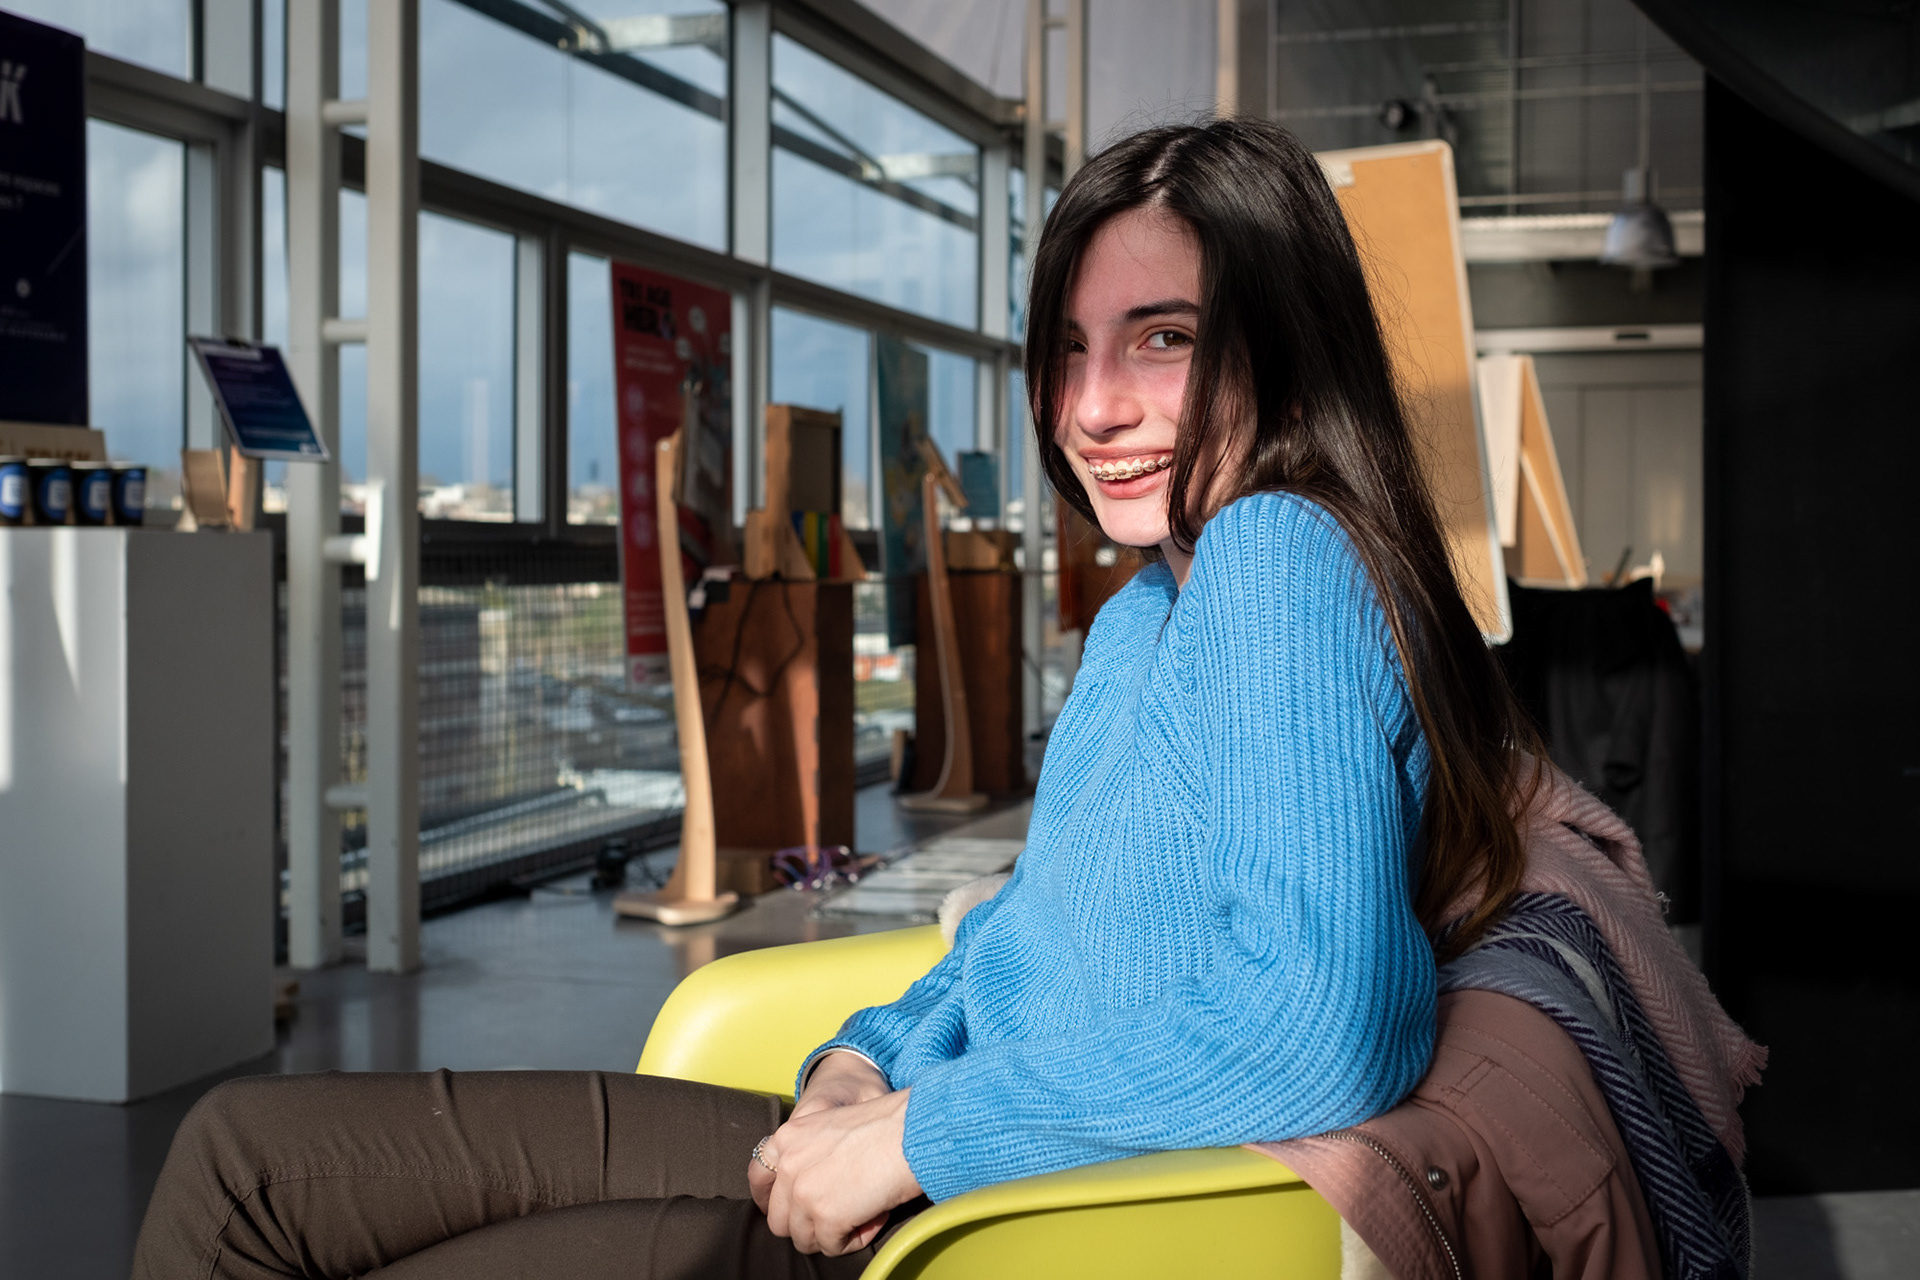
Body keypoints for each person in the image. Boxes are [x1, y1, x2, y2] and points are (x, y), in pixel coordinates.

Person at [131, 117, 1540, 1280]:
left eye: (1161, 339)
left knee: (270, 1205)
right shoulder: (1151, 609)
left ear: (1283, 346)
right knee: (239, 1156)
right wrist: (866, 1063)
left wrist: (915, 1138)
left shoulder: (1280, 555)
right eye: (1069, 347)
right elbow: (1031, 943)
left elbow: (1322, 1030)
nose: (1090, 406)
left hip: (1007, 1210)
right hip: (952, 1134)